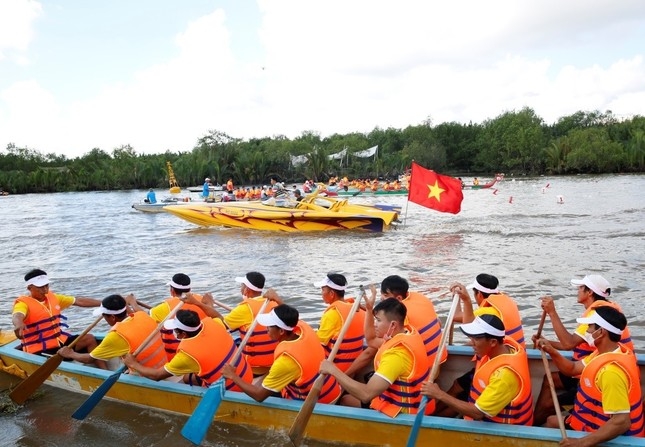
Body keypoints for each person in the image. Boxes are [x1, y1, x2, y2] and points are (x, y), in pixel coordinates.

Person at [532, 274, 635, 426]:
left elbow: (568, 343)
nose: (577, 291)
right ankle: (534, 426)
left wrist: (552, 312)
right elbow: (575, 344)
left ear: (589, 292)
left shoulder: (598, 316)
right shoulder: (602, 313)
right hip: (588, 367)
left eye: (580, 288)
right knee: (550, 379)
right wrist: (548, 344)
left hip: (592, 376)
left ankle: (534, 428)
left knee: (549, 407)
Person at [536, 306, 644, 443]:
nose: (587, 330)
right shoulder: (607, 351)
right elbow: (573, 368)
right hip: (592, 422)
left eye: (590, 327)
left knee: (551, 422)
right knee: (551, 421)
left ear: (601, 332)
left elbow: (622, 422)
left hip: (617, 437)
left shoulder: (611, 373)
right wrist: (551, 351)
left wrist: (581, 443)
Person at [320, 297, 429, 417]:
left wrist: (332, 370)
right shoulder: (407, 332)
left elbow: (366, 395)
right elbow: (371, 340)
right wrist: (368, 309)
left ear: (393, 325)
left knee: (345, 400)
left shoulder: (397, 355)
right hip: (418, 403)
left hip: (404, 413)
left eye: (378, 320)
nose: (375, 324)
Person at [437, 273, 525, 415]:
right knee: (459, 388)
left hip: (495, 365)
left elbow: (456, 316)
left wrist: (463, 299)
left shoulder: (486, 314)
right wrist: (460, 297)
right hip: (495, 357)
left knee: (457, 390)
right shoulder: (505, 301)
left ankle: (432, 418)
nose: (472, 343)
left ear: (478, 294)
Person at [422, 314, 534, 425]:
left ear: (493, 342)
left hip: (500, 432)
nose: (472, 343)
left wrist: (439, 394)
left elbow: (478, 413)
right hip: (485, 407)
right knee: (459, 386)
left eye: (476, 338)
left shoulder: (504, 376)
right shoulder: (504, 345)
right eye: (472, 337)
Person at [221, 304, 341, 404]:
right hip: (333, 390)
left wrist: (233, 376)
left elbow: (259, 396)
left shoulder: (285, 361)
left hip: (318, 402)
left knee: (257, 391)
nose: (266, 328)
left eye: (269, 326)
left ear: (282, 331)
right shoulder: (303, 327)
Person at [123, 309, 252, 389]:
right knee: (186, 377)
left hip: (230, 388)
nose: (173, 332)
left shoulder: (186, 355)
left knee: (186, 377)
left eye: (175, 330)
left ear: (183, 334)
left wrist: (133, 364)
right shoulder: (214, 323)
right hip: (246, 377)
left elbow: (157, 376)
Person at [58, 294, 165, 371]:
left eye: (104, 316)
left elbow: (89, 358)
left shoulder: (116, 335)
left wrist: (70, 354)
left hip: (147, 374)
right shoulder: (142, 315)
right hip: (163, 364)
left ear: (112, 317)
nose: (104, 319)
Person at [12, 269, 103, 357]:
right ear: (29, 288)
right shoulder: (23, 303)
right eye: (40, 287)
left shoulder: (54, 298)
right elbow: (17, 315)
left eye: (46, 285)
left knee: (89, 338)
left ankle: (103, 370)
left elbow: (79, 301)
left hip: (60, 342)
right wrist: (18, 323)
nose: (45, 290)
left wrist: (104, 303)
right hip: (39, 349)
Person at [216, 272, 280, 376]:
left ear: (247, 290)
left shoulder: (244, 308)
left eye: (242, 286)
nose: (241, 289)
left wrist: (207, 305)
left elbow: (219, 327)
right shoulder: (274, 303)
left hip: (254, 368)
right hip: (273, 361)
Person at [149, 273, 214, 361]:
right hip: (201, 347)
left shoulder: (161, 309)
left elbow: (147, 323)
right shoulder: (203, 301)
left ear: (172, 290)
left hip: (177, 355)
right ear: (189, 289)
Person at [313, 273, 365, 372]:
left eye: (323, 290)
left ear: (332, 293)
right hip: (354, 364)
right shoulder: (357, 308)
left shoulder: (332, 314)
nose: (321, 293)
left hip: (337, 367)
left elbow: (318, 343)